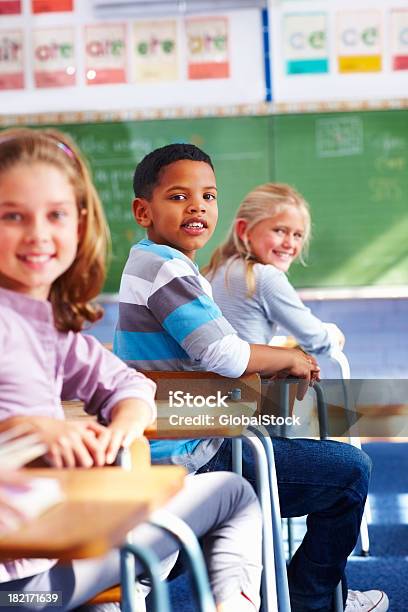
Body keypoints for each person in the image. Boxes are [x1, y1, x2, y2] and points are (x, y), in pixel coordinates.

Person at [114, 143, 388, 612]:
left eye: (209, 196)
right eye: (178, 197)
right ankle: (312, 600)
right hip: (189, 447)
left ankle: (289, 589)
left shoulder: (166, 265)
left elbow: (212, 358)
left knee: (303, 432)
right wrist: (288, 360)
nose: (197, 206)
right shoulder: (165, 270)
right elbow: (221, 352)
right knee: (350, 471)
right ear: (144, 210)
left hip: (187, 427)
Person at [0, 128, 262, 612]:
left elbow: (128, 383)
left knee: (224, 494)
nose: (38, 233)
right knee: (233, 495)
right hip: (21, 586)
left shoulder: (47, 327)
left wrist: (123, 425)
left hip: (55, 561)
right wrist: (27, 433)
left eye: (56, 215)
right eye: (13, 216)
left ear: (80, 225)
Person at [205, 182, 345, 355]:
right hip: (243, 382)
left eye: (297, 235)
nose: (290, 244)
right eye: (279, 231)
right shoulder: (263, 277)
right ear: (244, 230)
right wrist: (332, 333)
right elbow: (317, 341)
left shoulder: (215, 270)